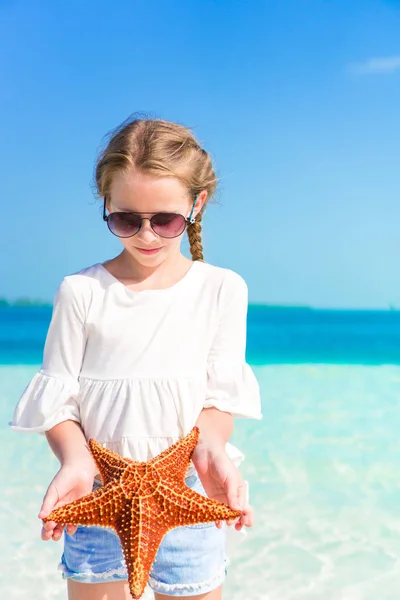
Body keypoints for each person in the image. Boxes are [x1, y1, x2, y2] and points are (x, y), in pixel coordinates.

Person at [10, 115, 262, 600]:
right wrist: (76, 462)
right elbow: (57, 403)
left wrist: (210, 450)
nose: (146, 236)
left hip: (186, 492)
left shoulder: (222, 290)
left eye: (165, 220)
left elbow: (218, 401)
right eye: (126, 219)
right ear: (106, 204)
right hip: (98, 492)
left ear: (196, 204)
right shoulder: (81, 291)